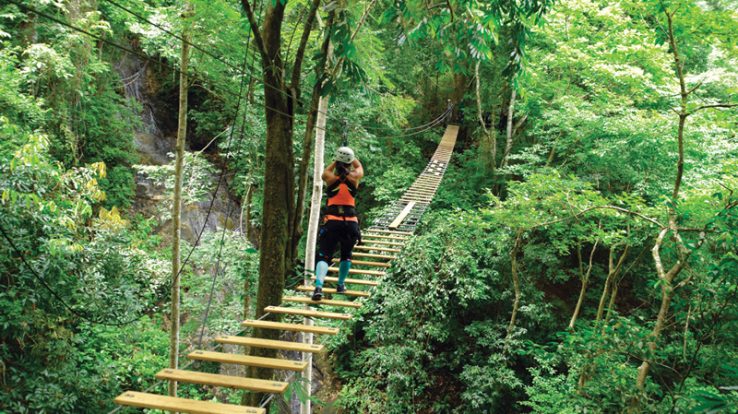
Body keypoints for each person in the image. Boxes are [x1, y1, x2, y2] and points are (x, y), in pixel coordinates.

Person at [311, 146, 364, 301]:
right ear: (349, 163)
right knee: (346, 255)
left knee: (324, 256)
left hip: (332, 222)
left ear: (336, 161)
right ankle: (340, 285)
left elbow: (325, 172)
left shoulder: (329, 177)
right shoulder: (355, 178)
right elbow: (359, 167)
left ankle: (319, 287)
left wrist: (336, 161)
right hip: (350, 223)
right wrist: (350, 157)